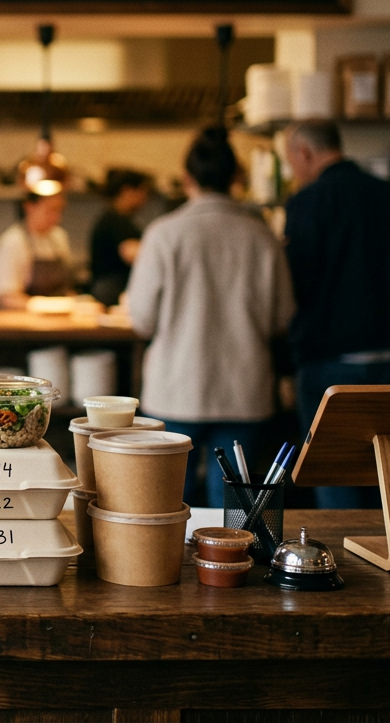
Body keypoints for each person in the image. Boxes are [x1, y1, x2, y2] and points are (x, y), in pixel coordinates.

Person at [126, 127, 294, 508]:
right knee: (233, 515)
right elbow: (281, 318)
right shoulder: (261, 236)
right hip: (243, 391)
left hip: (176, 390)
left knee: (165, 508)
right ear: (236, 177)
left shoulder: (163, 234)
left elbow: (142, 320)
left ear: (187, 178)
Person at [282, 120, 390, 509]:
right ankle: (388, 553)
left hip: (330, 355)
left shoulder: (308, 202)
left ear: (304, 153)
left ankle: (341, 561)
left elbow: (295, 285)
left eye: (290, 161)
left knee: (331, 470)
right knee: (384, 470)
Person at [0, 188, 73, 309]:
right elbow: (7, 298)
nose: (57, 217)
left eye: (60, 211)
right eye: (51, 210)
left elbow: (66, 288)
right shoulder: (12, 242)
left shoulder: (60, 237)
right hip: (23, 322)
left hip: (61, 321)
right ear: (29, 207)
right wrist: (45, 306)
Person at [89, 169, 152, 306]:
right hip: (111, 289)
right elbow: (130, 252)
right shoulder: (116, 219)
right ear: (127, 190)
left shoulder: (114, 217)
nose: (145, 198)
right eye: (142, 192)